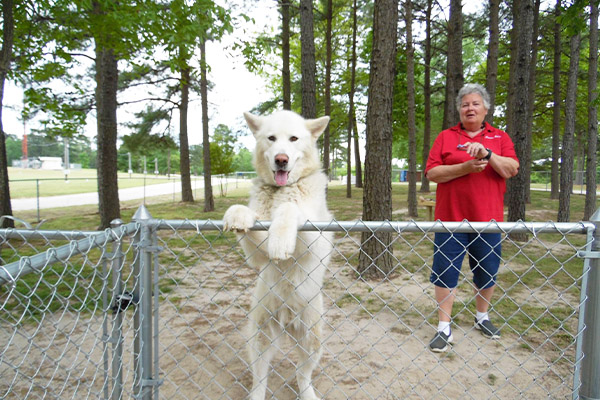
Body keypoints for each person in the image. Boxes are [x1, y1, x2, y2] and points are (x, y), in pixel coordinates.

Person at [424, 83, 519, 353]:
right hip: (450, 220)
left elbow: (511, 168)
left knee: (487, 271)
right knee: (445, 273)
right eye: (465, 104)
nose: (470, 108)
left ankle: (482, 317)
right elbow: (432, 173)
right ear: (459, 109)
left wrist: (488, 155)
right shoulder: (445, 136)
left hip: (487, 222)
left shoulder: (499, 137)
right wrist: (465, 167)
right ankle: (444, 328)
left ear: (486, 108)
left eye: (475, 103)